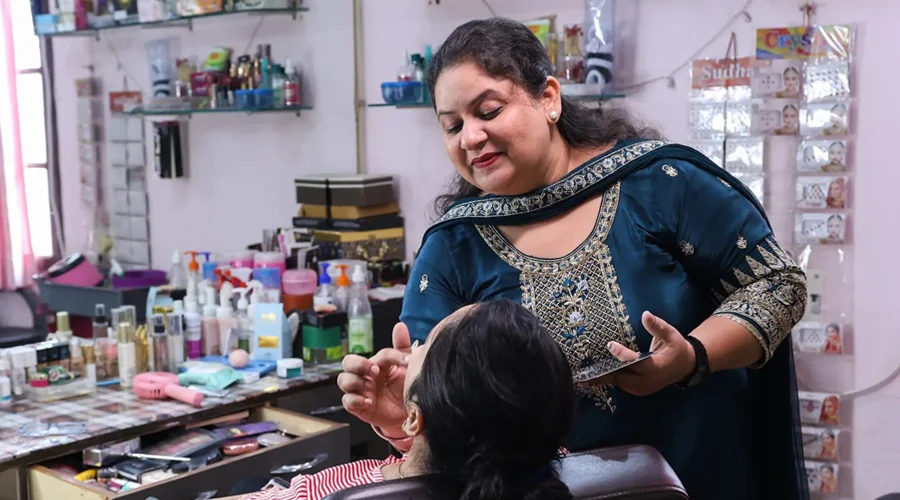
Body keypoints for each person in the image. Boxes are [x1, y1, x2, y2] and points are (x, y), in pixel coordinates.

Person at [338, 18, 809, 500]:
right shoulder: (453, 247)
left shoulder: (659, 184)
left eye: (489, 111)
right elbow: (448, 418)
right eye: (452, 126)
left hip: (700, 477)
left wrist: (691, 357)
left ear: (549, 98)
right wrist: (404, 419)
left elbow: (778, 285)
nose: (471, 137)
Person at [238, 300, 575, 500]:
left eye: (424, 345)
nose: (411, 349)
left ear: (415, 417)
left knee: (246, 481)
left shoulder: (333, 490)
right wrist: (412, 423)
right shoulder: (552, 466)